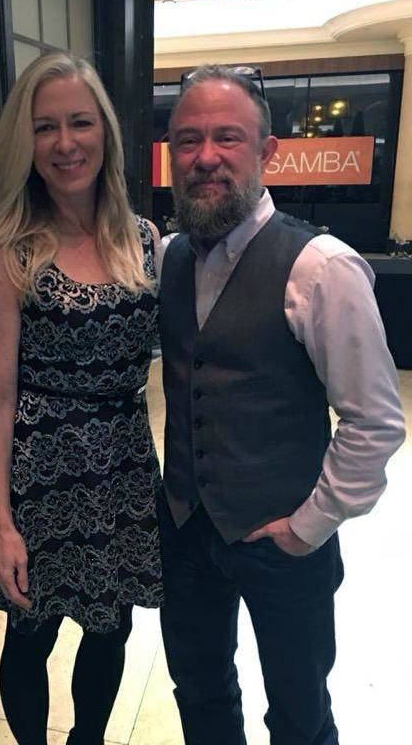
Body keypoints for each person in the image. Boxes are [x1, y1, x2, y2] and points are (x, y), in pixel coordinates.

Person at [156, 64, 406, 745]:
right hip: (183, 529)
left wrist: (311, 525)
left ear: (266, 152)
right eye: (187, 140)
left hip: (284, 539)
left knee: (298, 714)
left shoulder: (321, 266)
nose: (205, 157)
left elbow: (376, 420)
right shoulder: (169, 255)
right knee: (200, 692)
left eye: (227, 139)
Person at [0, 52, 163, 745]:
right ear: (26, 144)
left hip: (123, 467)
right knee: (32, 633)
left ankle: (89, 739)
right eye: (45, 127)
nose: (65, 143)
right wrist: (1, 524)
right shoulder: (11, 252)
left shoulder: (142, 239)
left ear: (105, 132)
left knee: (113, 627)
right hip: (39, 478)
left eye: (80, 122)